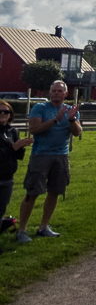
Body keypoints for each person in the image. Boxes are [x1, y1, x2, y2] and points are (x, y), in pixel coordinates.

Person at [18, 81, 81, 242]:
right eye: (54, 90)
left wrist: (72, 119)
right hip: (41, 155)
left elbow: (77, 132)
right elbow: (34, 129)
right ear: (49, 92)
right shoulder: (40, 108)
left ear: (65, 94)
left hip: (61, 155)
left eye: (60, 91)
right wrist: (55, 120)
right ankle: (22, 230)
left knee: (55, 191)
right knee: (32, 192)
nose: (56, 93)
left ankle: (43, 227)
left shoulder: (70, 110)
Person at [0, 101, 32, 248]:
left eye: (6, 112)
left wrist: (22, 146)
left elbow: (18, 156)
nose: (2, 114)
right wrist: (14, 147)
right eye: (0, 112)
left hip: (7, 177)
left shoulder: (13, 131)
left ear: (10, 115)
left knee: (1, 209)